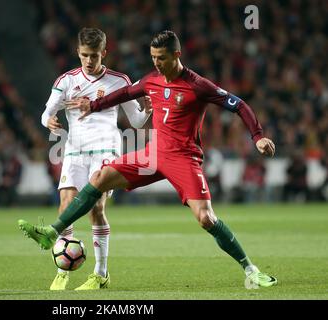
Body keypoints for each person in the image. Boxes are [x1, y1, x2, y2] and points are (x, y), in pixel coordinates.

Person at [18, 30, 277, 288]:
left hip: (183, 158)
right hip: (152, 155)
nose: (156, 63)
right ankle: (52, 232)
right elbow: (122, 95)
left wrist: (258, 137)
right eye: (153, 57)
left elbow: (239, 105)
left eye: (161, 58)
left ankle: (250, 269)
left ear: (177, 54)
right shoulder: (151, 80)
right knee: (99, 178)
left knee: (206, 218)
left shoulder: (198, 85)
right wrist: (93, 106)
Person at [37, 27, 152, 290]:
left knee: (95, 208)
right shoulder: (65, 81)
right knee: (65, 207)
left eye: (94, 55)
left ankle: (101, 273)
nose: (89, 60)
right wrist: (49, 121)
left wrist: (145, 111)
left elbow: (135, 121)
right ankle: (63, 269)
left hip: (105, 150)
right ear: (78, 52)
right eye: (85, 55)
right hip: (75, 149)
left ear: (104, 53)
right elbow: (46, 113)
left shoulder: (120, 81)